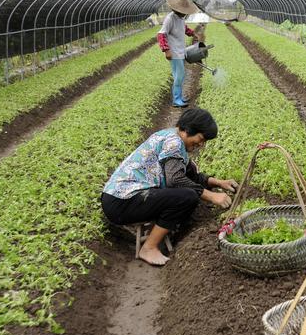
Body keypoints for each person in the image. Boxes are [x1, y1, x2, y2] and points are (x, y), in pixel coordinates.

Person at [101, 108, 238, 265]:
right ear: (187, 129)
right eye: (201, 138)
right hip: (122, 202)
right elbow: (175, 180)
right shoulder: (173, 143)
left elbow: (190, 176)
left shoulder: (171, 137)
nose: (201, 144)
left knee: (188, 192)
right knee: (187, 197)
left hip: (118, 198)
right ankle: (149, 248)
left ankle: (158, 235)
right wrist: (211, 196)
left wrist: (219, 183)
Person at [157, 0, 198, 108]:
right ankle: (176, 99)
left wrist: (193, 33)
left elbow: (184, 28)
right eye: (183, 11)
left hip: (180, 51)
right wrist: (166, 50)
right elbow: (161, 34)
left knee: (180, 75)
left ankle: (179, 97)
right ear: (176, 9)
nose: (184, 13)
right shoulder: (170, 19)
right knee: (179, 75)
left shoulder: (180, 19)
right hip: (174, 52)